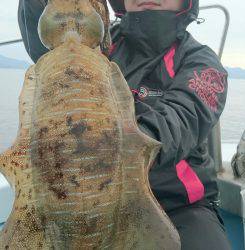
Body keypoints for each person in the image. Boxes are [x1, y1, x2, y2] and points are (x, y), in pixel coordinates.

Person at [18, 0, 231, 249]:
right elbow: (45, 42)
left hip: (180, 206)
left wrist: (111, 135)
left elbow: (182, 121)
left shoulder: (201, 62)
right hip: (85, 198)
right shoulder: (98, 46)